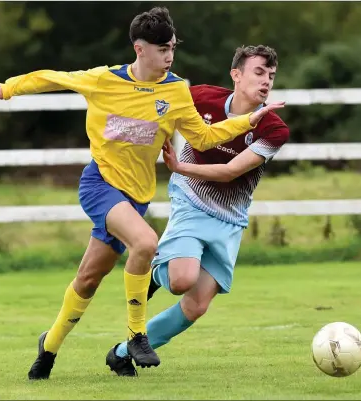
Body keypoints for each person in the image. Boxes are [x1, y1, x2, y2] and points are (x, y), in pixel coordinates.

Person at [0, 6, 285, 380]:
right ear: (140, 49)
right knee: (146, 243)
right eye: (162, 49)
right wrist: (8, 88)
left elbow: (203, 137)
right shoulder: (104, 80)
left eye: (172, 48)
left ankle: (49, 346)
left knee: (88, 278)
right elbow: (51, 78)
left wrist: (245, 121)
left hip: (136, 198)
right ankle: (137, 335)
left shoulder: (176, 90)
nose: (169, 56)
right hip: (100, 184)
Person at [106, 44, 290, 377]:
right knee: (182, 281)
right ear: (236, 75)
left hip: (230, 219)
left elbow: (232, 171)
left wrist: (179, 167)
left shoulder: (273, 129)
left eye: (271, 76)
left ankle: (122, 352)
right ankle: (154, 266)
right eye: (259, 72)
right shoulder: (201, 97)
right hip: (190, 201)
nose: (266, 82)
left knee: (197, 305)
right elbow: (157, 106)